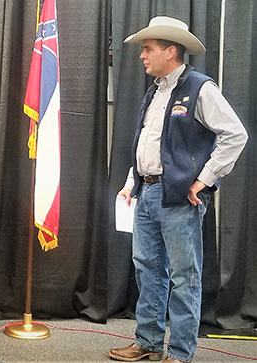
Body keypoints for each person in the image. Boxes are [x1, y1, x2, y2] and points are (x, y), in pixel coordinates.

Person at [109, 16, 248, 363]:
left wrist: (205, 178)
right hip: (147, 194)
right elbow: (148, 145)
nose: (142, 56)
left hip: (180, 199)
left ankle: (181, 353)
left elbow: (235, 134)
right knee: (147, 270)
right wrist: (131, 184)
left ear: (170, 51)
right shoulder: (154, 92)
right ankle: (149, 342)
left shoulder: (200, 88)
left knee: (184, 276)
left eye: (147, 49)